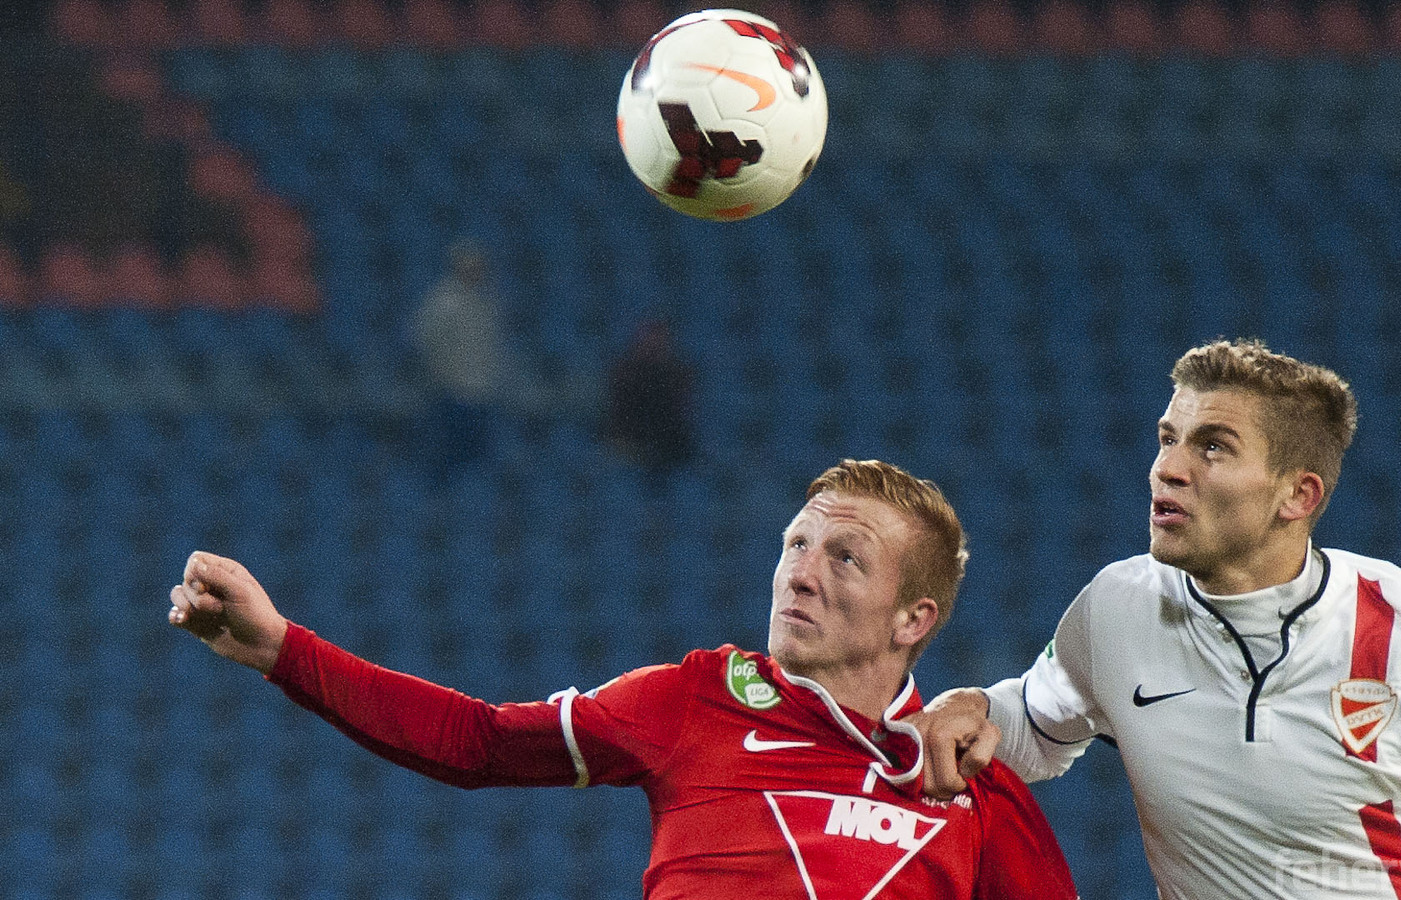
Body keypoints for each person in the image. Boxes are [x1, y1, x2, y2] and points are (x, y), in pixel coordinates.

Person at [167, 459, 1078, 899]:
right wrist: (282, 648)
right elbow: (478, 742)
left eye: (845, 557)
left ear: (914, 618)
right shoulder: (694, 700)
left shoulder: (971, 785)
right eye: (795, 543)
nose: (800, 573)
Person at [914, 339, 1401, 899]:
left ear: (1297, 496)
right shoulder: (1117, 608)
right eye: (1168, 438)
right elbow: (1035, 730)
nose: (1167, 469)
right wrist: (973, 706)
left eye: (1213, 447)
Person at [410, 239, 507, 468]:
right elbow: (425, 342)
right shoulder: (442, 303)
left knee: (478, 460)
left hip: (481, 393)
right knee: (449, 457)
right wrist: (442, 377)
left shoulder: (486, 303)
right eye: (470, 265)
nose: (476, 271)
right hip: (451, 393)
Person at [604, 317, 696, 471]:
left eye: (659, 338)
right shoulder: (624, 373)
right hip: (630, 445)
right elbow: (618, 414)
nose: (654, 343)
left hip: (670, 448)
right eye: (649, 337)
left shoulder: (677, 375)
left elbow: (682, 415)